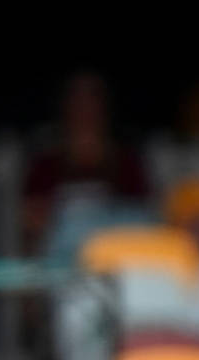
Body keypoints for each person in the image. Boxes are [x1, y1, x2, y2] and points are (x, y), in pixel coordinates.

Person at [23, 71, 148, 255]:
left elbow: (144, 219)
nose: (85, 108)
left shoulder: (126, 161)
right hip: (60, 259)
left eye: (92, 99)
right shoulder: (46, 163)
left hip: (113, 258)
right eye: (77, 100)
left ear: (105, 107)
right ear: (64, 106)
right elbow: (31, 225)